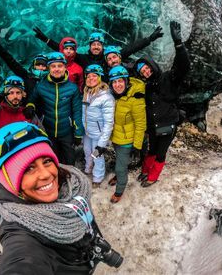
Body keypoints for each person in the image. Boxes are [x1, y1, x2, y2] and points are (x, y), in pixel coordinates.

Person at [0, 121, 123, 274]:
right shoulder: (21, 236)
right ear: (10, 182)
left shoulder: (72, 186)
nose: (45, 174)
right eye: (29, 169)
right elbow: (21, 263)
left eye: (47, 161)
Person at [134, 21, 190, 187]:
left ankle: (152, 176)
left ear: (152, 65)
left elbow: (183, 67)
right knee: (151, 149)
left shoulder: (168, 78)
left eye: (146, 68)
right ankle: (145, 170)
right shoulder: (146, 86)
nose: (145, 71)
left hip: (167, 124)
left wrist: (178, 44)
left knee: (160, 153)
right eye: (142, 71)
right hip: (153, 126)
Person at [28, 52, 84, 165]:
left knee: (70, 159)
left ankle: (70, 179)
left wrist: (78, 132)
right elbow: (32, 100)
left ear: (65, 67)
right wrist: (30, 106)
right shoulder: (41, 86)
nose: (56, 69)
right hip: (48, 130)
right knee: (53, 159)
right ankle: (58, 180)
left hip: (66, 132)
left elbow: (77, 111)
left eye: (60, 66)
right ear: (49, 68)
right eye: (53, 66)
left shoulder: (72, 88)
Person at [33, 26, 164, 74]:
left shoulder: (110, 56)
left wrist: (150, 39)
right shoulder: (83, 59)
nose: (96, 46)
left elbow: (131, 48)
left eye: (98, 44)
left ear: (102, 46)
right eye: (93, 44)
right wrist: (45, 39)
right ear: (89, 46)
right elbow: (65, 50)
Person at [108, 66, 146, 203]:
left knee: (120, 167)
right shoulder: (113, 97)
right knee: (119, 160)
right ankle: (118, 177)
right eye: (114, 82)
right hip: (117, 138)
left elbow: (141, 124)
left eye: (120, 81)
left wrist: (137, 146)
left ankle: (119, 191)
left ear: (126, 81)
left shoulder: (135, 99)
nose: (118, 85)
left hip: (127, 141)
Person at [82, 64, 115, 188]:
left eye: (94, 76)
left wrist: (102, 143)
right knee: (87, 151)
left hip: (98, 133)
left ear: (100, 78)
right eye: (88, 76)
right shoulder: (87, 92)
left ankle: (98, 177)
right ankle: (88, 168)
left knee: (97, 155)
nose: (91, 78)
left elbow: (109, 122)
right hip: (87, 131)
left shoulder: (106, 97)